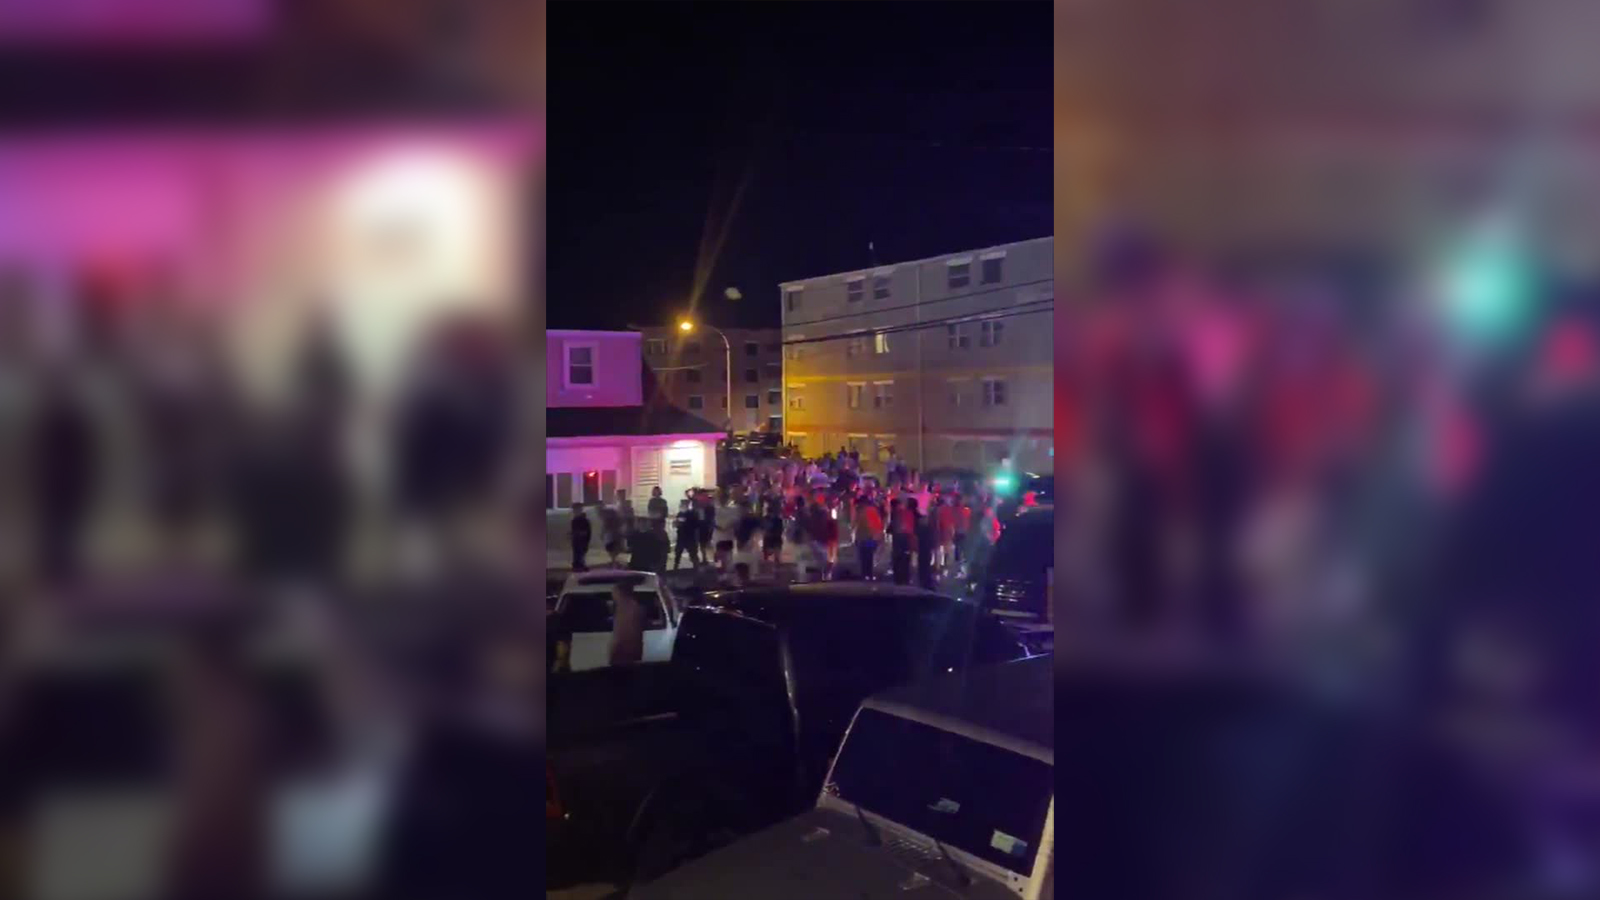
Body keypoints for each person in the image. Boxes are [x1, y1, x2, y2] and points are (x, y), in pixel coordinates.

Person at [608, 581, 646, 666]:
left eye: (614, 592)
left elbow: (623, 634)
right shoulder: (634, 607)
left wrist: (615, 651)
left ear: (621, 593)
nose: (613, 595)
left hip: (623, 653)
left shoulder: (627, 609)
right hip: (632, 652)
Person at [854, 492, 884, 580]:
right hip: (869, 537)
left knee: (864, 558)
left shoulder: (858, 510)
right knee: (869, 557)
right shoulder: (871, 510)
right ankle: (869, 575)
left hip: (861, 537)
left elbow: (856, 524)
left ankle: (864, 575)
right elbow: (876, 525)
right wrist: (879, 537)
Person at [913, 498, 938, 590]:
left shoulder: (924, 518)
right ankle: (925, 581)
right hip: (925, 542)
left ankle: (924, 580)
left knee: (925, 561)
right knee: (925, 561)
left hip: (925, 542)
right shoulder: (924, 519)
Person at [890, 498, 913, 585]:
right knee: (903, 558)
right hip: (903, 538)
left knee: (899, 558)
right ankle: (903, 578)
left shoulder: (898, 513)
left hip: (901, 538)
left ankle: (900, 578)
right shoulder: (905, 513)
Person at [672, 499, 701, 569]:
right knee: (678, 554)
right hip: (682, 536)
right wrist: (676, 523)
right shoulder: (680, 513)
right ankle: (675, 568)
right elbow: (676, 524)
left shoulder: (692, 514)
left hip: (689, 537)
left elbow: (696, 526)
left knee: (693, 554)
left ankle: (697, 569)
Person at [599, 500, 623, 567]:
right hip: (614, 533)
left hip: (612, 533)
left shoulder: (606, 513)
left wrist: (602, 533)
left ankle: (613, 561)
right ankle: (614, 561)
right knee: (613, 547)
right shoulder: (609, 512)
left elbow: (605, 525)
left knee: (612, 547)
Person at [570, 503, 592, 571]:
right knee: (578, 556)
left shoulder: (584, 520)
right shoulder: (574, 520)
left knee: (580, 556)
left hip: (582, 542)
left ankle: (580, 567)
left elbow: (586, 532)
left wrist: (577, 534)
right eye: (574, 510)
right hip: (577, 541)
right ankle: (579, 566)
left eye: (575, 510)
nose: (574, 512)